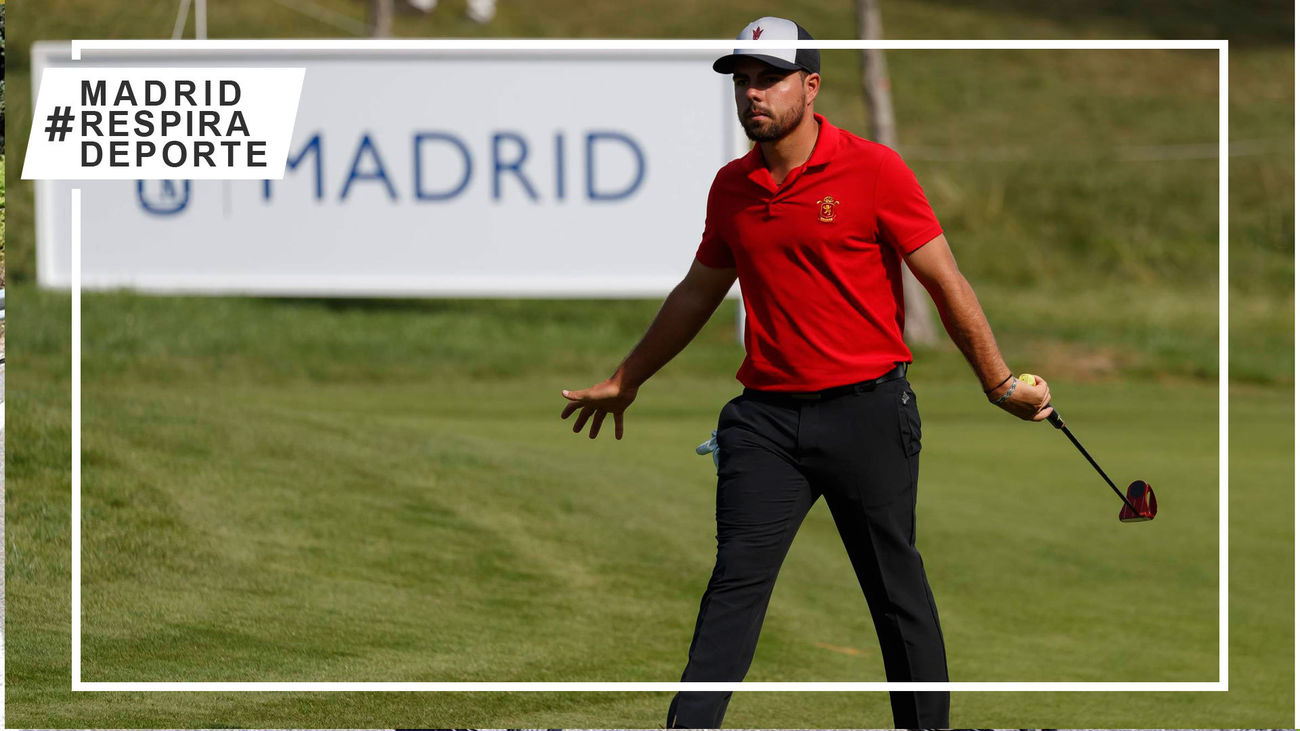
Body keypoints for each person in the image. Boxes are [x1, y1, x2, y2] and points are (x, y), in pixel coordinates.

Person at [560, 16, 1053, 730]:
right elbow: (698, 291)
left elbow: (946, 281)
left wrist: (999, 381)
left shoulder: (875, 170)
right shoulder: (731, 188)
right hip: (765, 421)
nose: (751, 93)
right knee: (734, 587)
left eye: (768, 78)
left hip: (869, 413)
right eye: (742, 80)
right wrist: (627, 376)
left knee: (896, 593)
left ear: (811, 86)